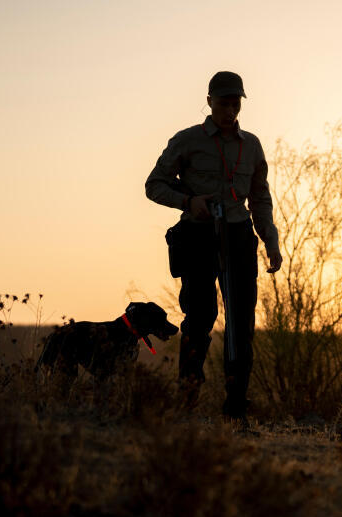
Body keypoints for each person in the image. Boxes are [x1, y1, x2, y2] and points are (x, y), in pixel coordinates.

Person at [145, 71, 282, 421]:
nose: (230, 109)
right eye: (224, 102)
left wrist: (271, 240)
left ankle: (236, 403)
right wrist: (190, 202)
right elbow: (154, 185)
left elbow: (260, 195)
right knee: (200, 315)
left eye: (236, 102)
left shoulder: (251, 145)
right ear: (209, 102)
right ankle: (188, 397)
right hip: (198, 236)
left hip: (238, 235)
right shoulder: (187, 140)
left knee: (241, 320)